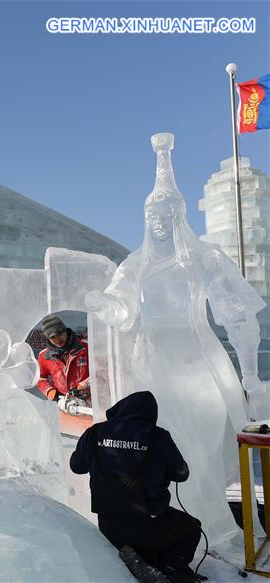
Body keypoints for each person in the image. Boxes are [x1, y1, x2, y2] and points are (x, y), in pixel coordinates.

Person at [86, 133, 265, 543]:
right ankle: (159, 523)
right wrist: (101, 302)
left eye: (165, 215)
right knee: (149, 444)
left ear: (179, 217)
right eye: (151, 216)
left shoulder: (205, 258)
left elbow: (237, 317)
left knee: (199, 446)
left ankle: (209, 525)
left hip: (198, 359)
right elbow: (122, 309)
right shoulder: (135, 265)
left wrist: (250, 374)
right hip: (151, 364)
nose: (157, 223)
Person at [70, 391, 202, 583]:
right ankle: (170, 569)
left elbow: (76, 466)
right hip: (150, 523)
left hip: (108, 526)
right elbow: (182, 474)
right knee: (191, 528)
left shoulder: (94, 432)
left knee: (148, 532)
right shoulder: (158, 437)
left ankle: (140, 560)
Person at [36, 314, 90, 402]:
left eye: (59, 334)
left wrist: (84, 386)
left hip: (89, 404)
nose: (57, 339)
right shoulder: (44, 356)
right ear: (48, 338)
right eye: (52, 337)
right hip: (64, 405)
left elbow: (101, 371)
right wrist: (50, 392)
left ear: (65, 331)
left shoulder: (86, 348)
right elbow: (39, 378)